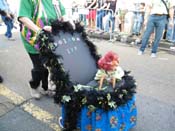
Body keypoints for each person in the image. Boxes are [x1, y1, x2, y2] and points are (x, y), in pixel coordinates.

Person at [18, 0, 74, 99]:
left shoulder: (55, 1)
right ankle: (33, 85)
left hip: (50, 38)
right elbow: (23, 18)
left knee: (51, 64)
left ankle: (45, 88)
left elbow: (63, 15)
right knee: (39, 67)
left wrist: (69, 22)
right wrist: (40, 31)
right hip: (33, 40)